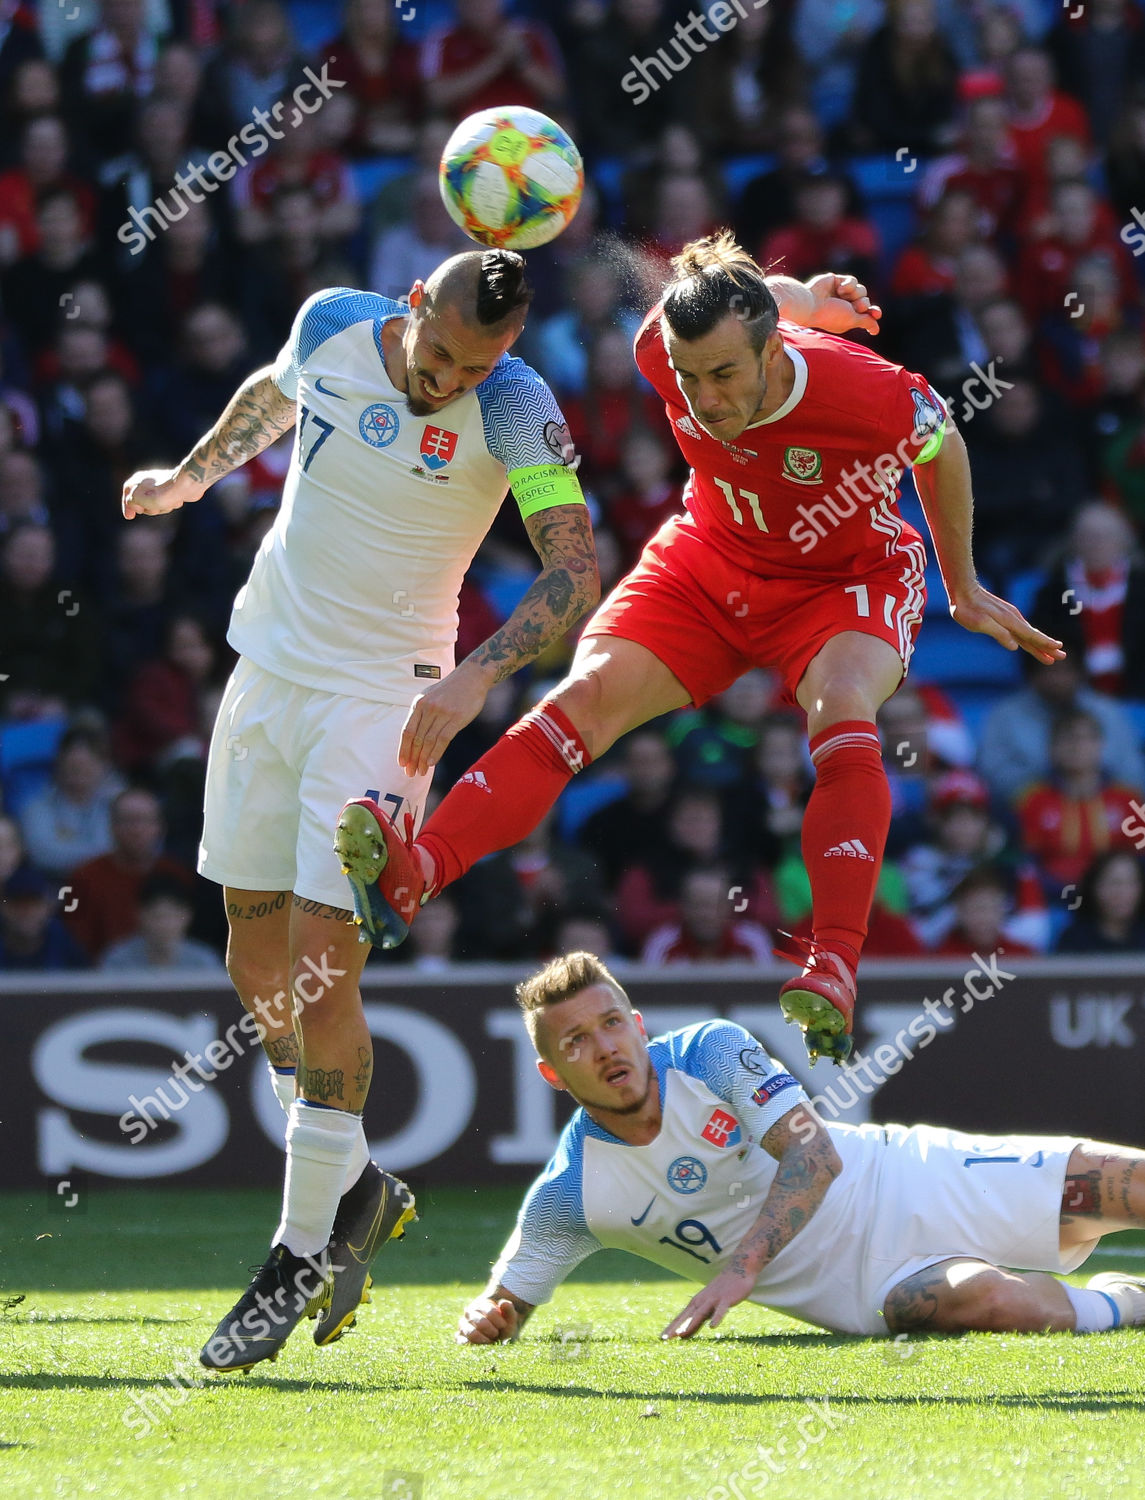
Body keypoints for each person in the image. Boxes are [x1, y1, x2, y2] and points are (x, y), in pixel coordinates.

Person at [338, 232, 1061, 1066]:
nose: (704, 397)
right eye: (690, 377)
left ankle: (832, 964)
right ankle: (416, 871)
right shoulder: (661, 346)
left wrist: (961, 586)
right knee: (583, 699)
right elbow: (739, 304)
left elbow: (943, 446)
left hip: (844, 577)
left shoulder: (865, 391)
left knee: (841, 708)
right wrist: (801, 297)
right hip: (709, 560)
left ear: (774, 352)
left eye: (724, 375)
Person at [123, 248, 605, 1374]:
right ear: (408, 310)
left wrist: (475, 675)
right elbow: (271, 394)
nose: (448, 379)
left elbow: (573, 570)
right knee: (251, 957)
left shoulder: (516, 402)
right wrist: (195, 475)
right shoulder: (335, 322)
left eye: (473, 364)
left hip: (387, 702)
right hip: (266, 670)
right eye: (438, 354)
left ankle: (296, 1254)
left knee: (321, 967)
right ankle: (358, 1186)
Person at [456, 953, 1145, 1346]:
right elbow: (503, 1306)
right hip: (873, 1292)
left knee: (1128, 1188)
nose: (604, 1047)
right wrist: (491, 1318)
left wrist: (739, 1270)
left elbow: (815, 1158)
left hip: (907, 1178)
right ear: (551, 1072)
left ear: (637, 1026)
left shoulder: (708, 1051)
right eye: (575, 1041)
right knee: (999, 1307)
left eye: (610, 1023)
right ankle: (1126, 1301)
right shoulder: (570, 1193)